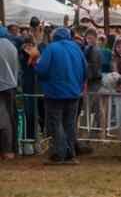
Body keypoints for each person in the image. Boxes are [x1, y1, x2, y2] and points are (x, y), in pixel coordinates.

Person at [29, 27, 86, 165]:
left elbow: (42, 70)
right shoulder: (76, 48)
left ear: (54, 37)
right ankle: (70, 153)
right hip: (74, 92)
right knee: (70, 123)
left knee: (56, 122)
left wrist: (34, 63)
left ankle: (60, 153)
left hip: (55, 93)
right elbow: (85, 69)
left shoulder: (51, 48)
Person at [0, 26, 19, 160]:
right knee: (11, 117)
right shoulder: (11, 45)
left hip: (1, 86)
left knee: (3, 120)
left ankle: (6, 150)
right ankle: (12, 149)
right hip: (11, 85)